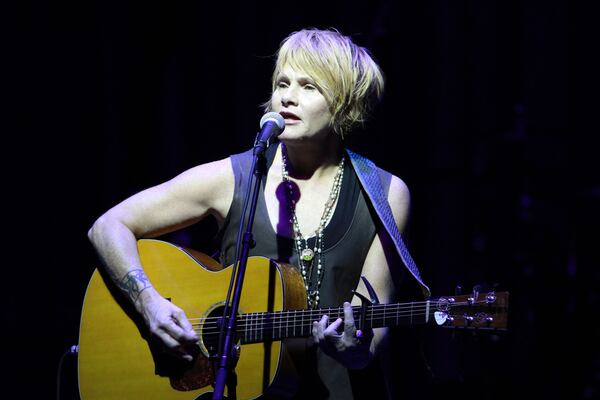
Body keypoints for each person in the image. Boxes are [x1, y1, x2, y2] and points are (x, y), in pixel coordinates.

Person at [88, 27, 429, 399]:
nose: (288, 98)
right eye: (283, 84)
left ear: (346, 104)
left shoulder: (386, 193)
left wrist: (357, 350)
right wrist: (148, 303)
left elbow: (373, 331)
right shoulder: (233, 177)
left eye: (308, 87)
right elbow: (108, 226)